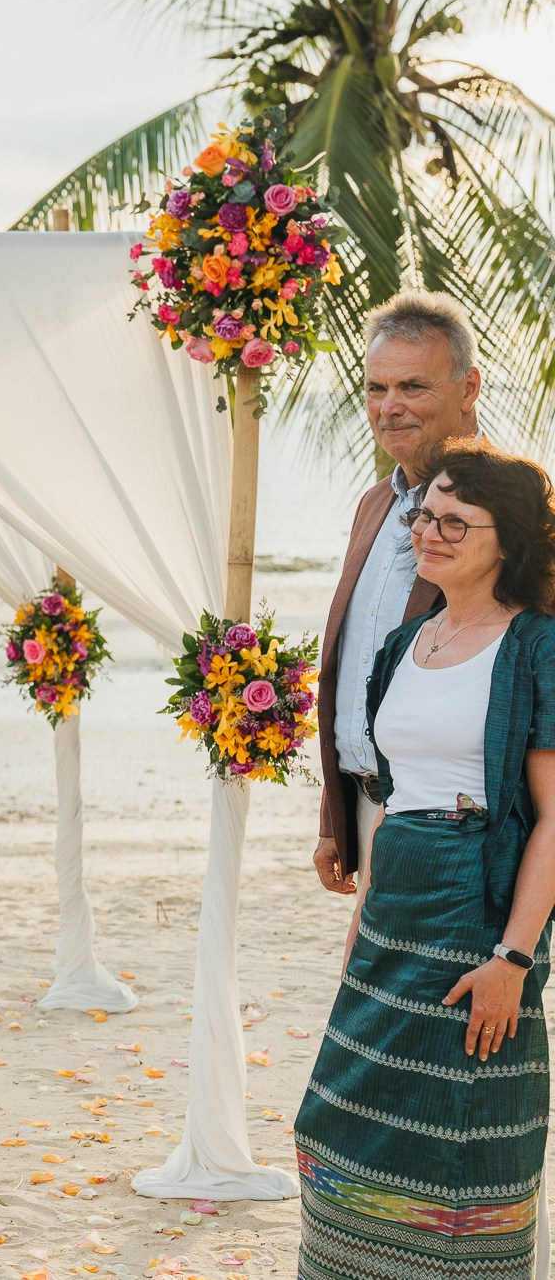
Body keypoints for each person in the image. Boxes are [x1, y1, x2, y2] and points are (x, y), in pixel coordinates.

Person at [295, 439, 555, 1279]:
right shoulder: (405, 643)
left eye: (454, 519)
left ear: (505, 541)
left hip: (474, 916)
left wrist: (514, 957)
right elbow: (393, 795)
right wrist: (365, 914)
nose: (429, 532)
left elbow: (554, 816)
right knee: (343, 1117)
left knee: (462, 1130)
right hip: (392, 911)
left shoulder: (537, 647)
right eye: (423, 515)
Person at [314, 293, 480, 942]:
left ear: (467, 387)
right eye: (377, 387)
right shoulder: (375, 503)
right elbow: (354, 661)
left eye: (413, 385)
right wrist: (335, 812)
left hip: (445, 816)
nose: (390, 406)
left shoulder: (511, 505)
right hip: (366, 803)